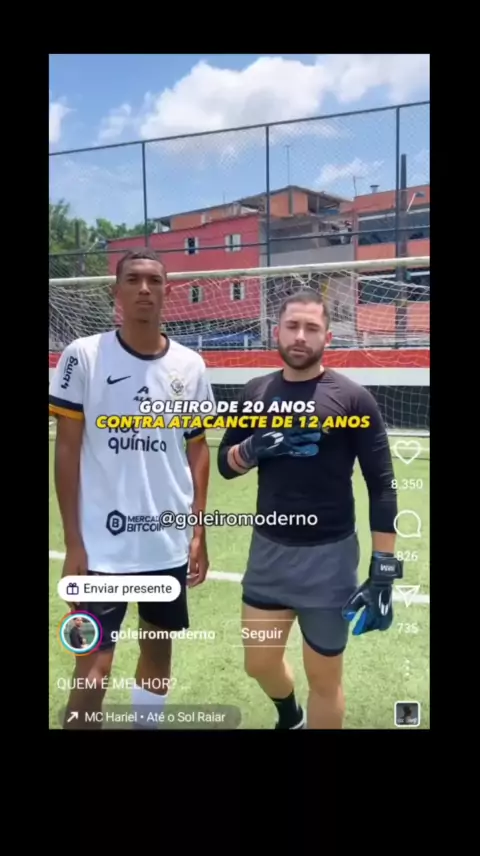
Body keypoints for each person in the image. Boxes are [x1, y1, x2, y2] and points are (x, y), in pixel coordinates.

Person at [217, 290, 402, 730]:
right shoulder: (255, 392)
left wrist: (383, 570)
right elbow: (225, 464)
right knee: (258, 663)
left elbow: (382, 486)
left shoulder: (354, 399)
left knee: (324, 680)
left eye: (312, 328)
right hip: (269, 555)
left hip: (329, 562)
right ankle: (290, 716)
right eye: (292, 326)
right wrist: (253, 448)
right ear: (277, 331)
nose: (300, 336)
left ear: (327, 337)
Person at [49, 248, 215, 729]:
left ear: (168, 291)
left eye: (154, 281)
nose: (145, 289)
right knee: (94, 666)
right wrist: (73, 542)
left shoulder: (190, 364)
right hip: (102, 548)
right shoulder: (83, 355)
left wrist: (198, 531)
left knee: (158, 651)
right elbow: (66, 450)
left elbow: (197, 449)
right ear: (115, 291)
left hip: (165, 542)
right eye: (133, 279)